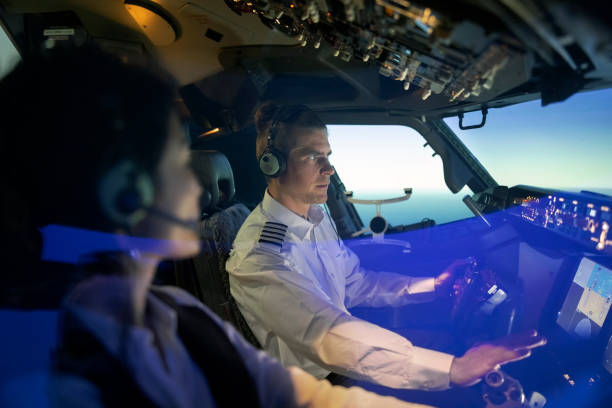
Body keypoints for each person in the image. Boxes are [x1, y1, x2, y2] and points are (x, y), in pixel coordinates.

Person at [0, 45, 437, 408]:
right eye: (178, 160)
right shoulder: (48, 380)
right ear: (125, 192)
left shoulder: (170, 311)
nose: (197, 185)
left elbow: (284, 388)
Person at [226, 102, 546, 391]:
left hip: (344, 364)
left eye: (328, 156)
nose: (329, 169)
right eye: (312, 156)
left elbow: (355, 283)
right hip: (319, 387)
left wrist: (431, 286)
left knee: (459, 342)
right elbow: (327, 333)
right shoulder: (259, 255)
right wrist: (454, 369)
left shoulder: (316, 215)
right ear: (273, 164)